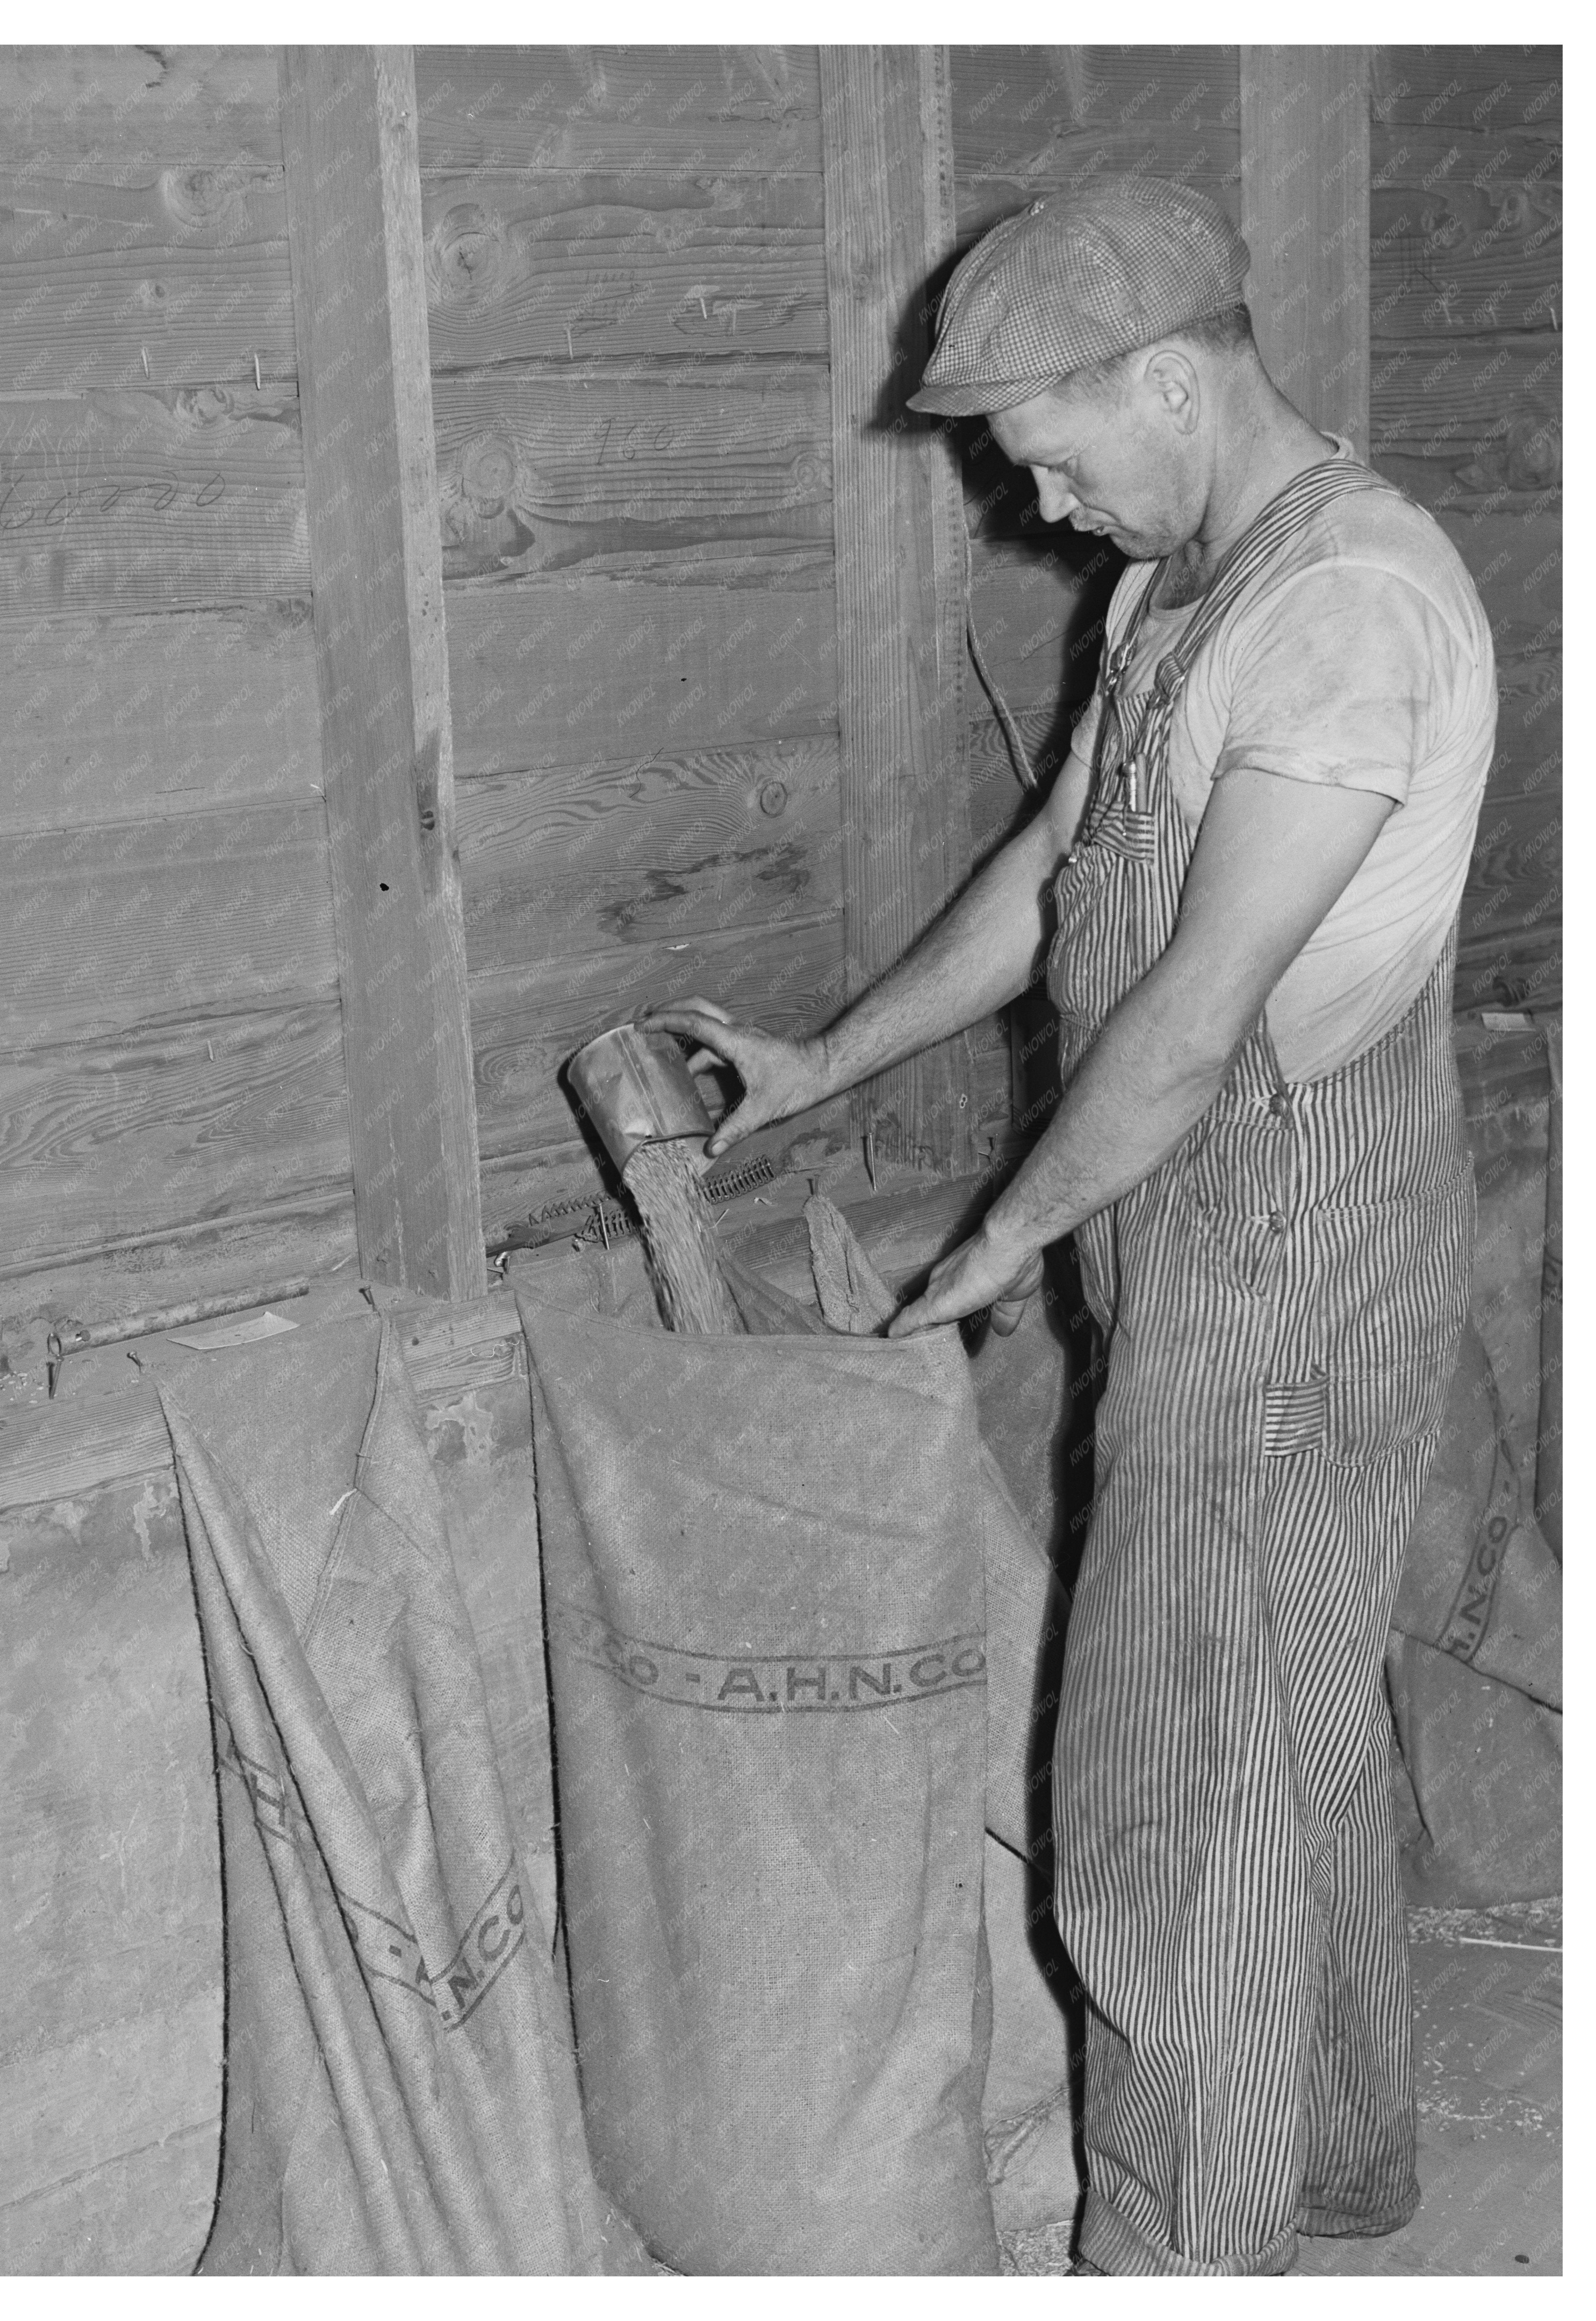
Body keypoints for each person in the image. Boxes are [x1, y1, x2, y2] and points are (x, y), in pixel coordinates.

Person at [643, 175, 1496, 2276]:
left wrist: (1000, 1245)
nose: (1033, 504)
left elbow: (1193, 1020)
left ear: (1176, 379)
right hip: (1208, 1251)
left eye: (1048, 449)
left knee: (1163, 1801)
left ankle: (1180, 2267)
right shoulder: (1183, 590)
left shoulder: (1352, 610)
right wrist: (824, 1066)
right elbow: (1068, 872)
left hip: (1292, 1273)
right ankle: (1333, 2163)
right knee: (1287, 1734)